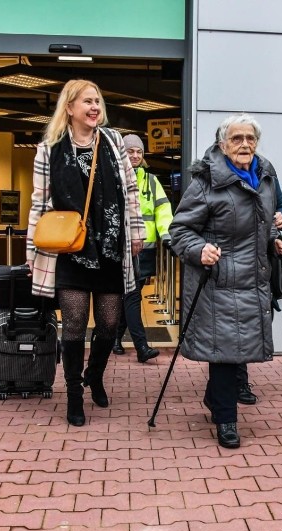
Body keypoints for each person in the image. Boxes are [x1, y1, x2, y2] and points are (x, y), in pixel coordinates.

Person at [26, 79, 145, 427]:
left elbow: (131, 190)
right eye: (87, 101)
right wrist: (33, 251)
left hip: (109, 247)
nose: (94, 107)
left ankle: (95, 374)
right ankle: (74, 394)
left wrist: (136, 230)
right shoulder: (50, 148)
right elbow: (38, 202)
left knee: (109, 323)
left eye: (97, 101)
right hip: (70, 249)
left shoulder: (113, 142)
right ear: (69, 107)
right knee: (75, 323)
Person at [169, 113, 282, 449]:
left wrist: (276, 241)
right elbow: (179, 230)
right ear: (222, 145)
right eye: (237, 139)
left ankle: (215, 400)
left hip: (253, 279)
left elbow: (264, 226)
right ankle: (226, 420)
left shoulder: (264, 177)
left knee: (237, 351)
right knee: (224, 352)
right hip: (218, 281)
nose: (245, 144)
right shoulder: (206, 182)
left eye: (250, 138)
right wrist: (200, 249)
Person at [112, 134, 173, 363]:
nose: (136, 156)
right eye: (131, 151)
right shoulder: (115, 178)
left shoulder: (150, 180)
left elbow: (162, 210)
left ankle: (116, 338)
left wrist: (167, 235)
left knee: (130, 296)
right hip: (122, 248)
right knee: (131, 295)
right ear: (122, 154)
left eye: (139, 152)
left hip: (144, 250)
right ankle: (141, 346)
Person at [235, 181, 282, 405]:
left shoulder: (266, 178)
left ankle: (227, 384)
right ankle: (237, 383)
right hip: (236, 263)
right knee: (236, 325)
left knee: (253, 324)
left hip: (263, 265)